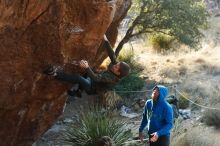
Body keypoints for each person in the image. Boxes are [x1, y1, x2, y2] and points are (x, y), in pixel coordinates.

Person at [43, 35, 130, 97]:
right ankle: (78, 91)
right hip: (94, 82)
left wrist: (87, 67)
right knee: (88, 71)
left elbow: (96, 78)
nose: (115, 65)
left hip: (92, 88)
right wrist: (106, 41)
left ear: (118, 73)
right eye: (117, 64)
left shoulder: (112, 79)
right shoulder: (116, 67)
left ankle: (54, 74)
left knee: (78, 78)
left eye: (116, 67)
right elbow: (113, 56)